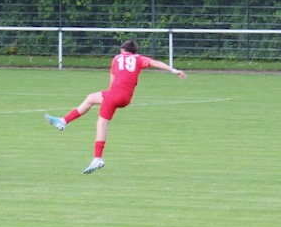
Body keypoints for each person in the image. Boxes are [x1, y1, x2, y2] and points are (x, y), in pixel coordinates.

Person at [44, 39, 186, 173]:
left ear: (122, 50)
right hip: (125, 96)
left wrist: (113, 97)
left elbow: (112, 81)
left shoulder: (117, 58)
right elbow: (155, 63)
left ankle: (97, 158)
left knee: (101, 124)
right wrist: (174, 70)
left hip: (114, 94)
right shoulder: (138, 58)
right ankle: (64, 121)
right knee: (91, 98)